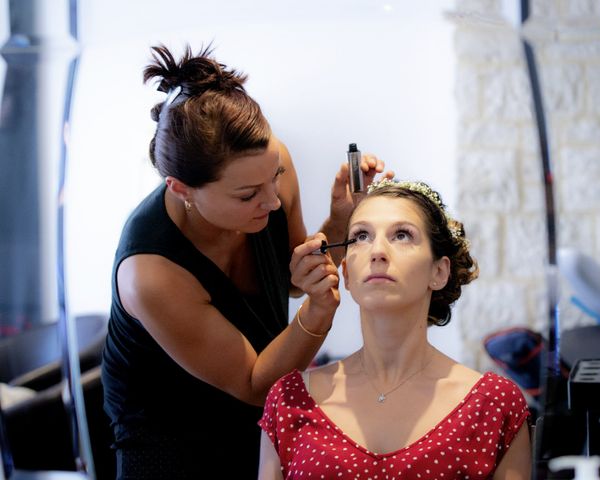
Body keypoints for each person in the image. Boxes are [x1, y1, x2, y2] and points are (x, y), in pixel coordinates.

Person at [101, 43, 391, 479]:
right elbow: (255, 385)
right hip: (171, 442)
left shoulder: (270, 167)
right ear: (181, 189)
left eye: (273, 178)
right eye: (247, 195)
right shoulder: (150, 274)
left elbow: (292, 278)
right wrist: (318, 311)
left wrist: (340, 220)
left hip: (261, 415)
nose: (273, 201)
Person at [258, 178, 532, 480]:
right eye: (361, 236)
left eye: (402, 235)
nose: (378, 251)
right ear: (346, 273)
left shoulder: (493, 405)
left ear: (439, 271)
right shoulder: (290, 401)